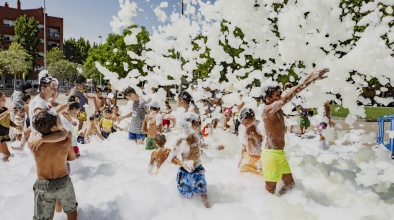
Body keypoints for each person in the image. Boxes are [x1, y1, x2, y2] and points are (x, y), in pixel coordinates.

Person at [259, 68, 329, 195]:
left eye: (279, 94)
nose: (280, 97)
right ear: (268, 99)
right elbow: (287, 98)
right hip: (271, 155)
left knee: (290, 185)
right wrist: (309, 79)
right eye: (276, 95)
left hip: (279, 154)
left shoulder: (276, 109)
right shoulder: (268, 110)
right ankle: (267, 211)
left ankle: (281, 207)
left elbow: (287, 98)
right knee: (270, 190)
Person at [169, 112, 224, 208]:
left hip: (198, 169)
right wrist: (183, 163)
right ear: (188, 125)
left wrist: (214, 147)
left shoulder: (196, 136)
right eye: (196, 123)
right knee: (187, 197)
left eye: (199, 122)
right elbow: (171, 158)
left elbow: (202, 145)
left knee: (203, 192)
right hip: (186, 173)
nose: (199, 124)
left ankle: (209, 212)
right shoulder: (180, 140)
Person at [31, 110, 78, 220]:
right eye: (59, 122)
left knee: (44, 217)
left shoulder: (33, 143)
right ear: (54, 127)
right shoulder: (65, 140)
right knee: (71, 211)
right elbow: (72, 157)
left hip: (43, 184)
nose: (60, 124)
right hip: (63, 181)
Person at [13, 73, 68, 152]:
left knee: (65, 131)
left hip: (38, 136)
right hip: (41, 138)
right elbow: (41, 119)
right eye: (52, 88)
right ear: (43, 89)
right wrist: (58, 110)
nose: (56, 91)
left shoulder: (41, 100)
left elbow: (33, 123)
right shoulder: (39, 102)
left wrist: (23, 142)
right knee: (63, 134)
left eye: (57, 88)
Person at [237, 107, 263, 175]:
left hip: (260, 158)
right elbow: (243, 145)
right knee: (243, 177)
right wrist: (241, 158)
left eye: (247, 122)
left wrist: (256, 135)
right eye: (243, 122)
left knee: (260, 179)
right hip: (249, 157)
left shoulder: (260, 126)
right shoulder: (243, 128)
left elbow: (266, 142)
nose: (245, 124)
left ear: (254, 119)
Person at [0, 92, 23, 161]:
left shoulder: (5, 109)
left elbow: (8, 121)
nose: (5, 100)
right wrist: (8, 111)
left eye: (5, 99)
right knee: (7, 154)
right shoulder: (6, 111)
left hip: (4, 134)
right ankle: (5, 170)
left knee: (4, 154)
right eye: (2, 99)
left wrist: (15, 126)